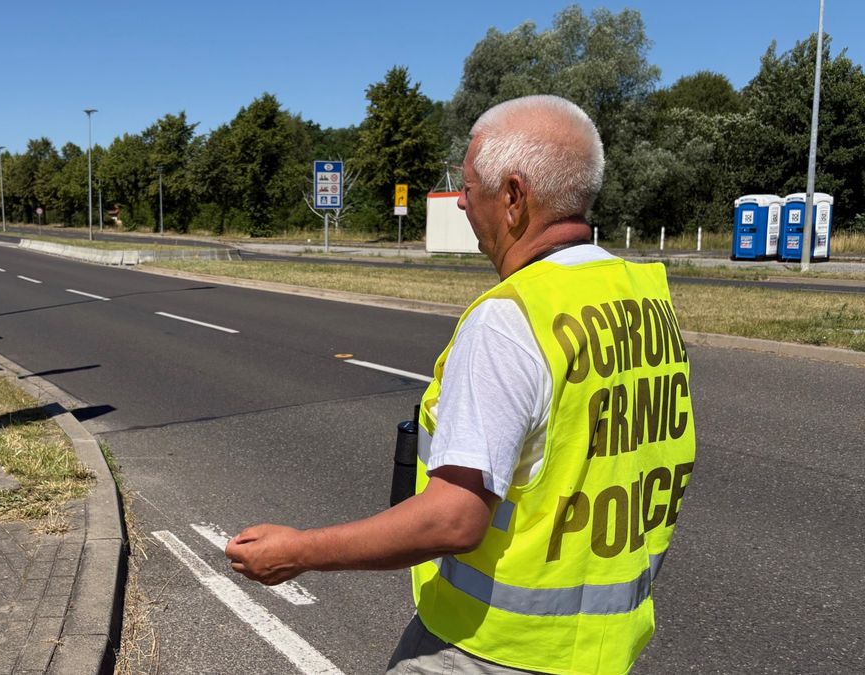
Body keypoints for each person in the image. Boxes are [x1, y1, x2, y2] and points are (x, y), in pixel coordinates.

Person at [225, 94, 696, 675]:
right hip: (600, 651)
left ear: (514, 197)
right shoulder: (642, 297)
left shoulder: (511, 317)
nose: (464, 204)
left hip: (492, 648)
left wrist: (299, 552)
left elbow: (454, 518)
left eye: (469, 188)